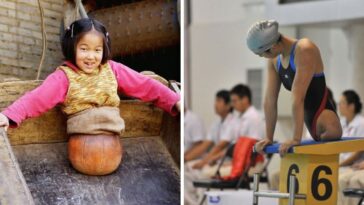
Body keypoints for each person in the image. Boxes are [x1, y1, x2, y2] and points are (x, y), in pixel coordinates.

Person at [0, 18, 180, 174]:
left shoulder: (112, 69)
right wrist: (9, 115)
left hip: (112, 149)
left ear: (104, 50)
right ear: (72, 48)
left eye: (97, 50)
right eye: (84, 49)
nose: (91, 56)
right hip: (81, 151)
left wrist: (176, 101)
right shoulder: (64, 77)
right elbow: (37, 98)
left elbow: (145, 85)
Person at [247, 20, 342, 156]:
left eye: (262, 54)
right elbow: (270, 100)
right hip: (308, 121)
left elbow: (298, 97)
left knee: (328, 140)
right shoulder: (274, 60)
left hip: (326, 120)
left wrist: (296, 138)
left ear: (273, 46)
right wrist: (269, 137)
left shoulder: (304, 49)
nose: (263, 57)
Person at [191, 90, 234, 171]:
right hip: (215, 160)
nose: (215, 104)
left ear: (228, 105)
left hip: (227, 161)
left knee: (196, 170)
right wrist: (186, 158)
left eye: (219, 101)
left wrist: (203, 162)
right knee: (189, 167)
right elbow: (204, 145)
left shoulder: (233, 122)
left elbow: (220, 146)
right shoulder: (216, 123)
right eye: (215, 100)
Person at [337, 90, 364, 205]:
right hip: (343, 163)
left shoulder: (361, 123)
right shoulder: (341, 123)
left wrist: (340, 164)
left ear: (351, 106)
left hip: (352, 164)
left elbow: (359, 151)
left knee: (342, 179)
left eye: (342, 102)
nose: (339, 106)